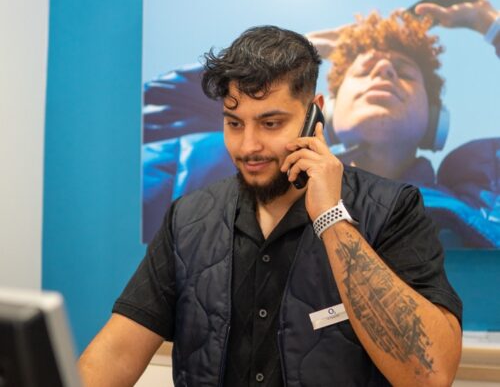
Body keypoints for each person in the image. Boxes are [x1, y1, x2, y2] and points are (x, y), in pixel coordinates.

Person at [80, 26, 463, 386]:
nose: (248, 146)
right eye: (234, 124)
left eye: (271, 123)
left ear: (315, 114)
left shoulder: (394, 209)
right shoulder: (187, 218)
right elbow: (116, 354)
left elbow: (429, 376)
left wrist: (331, 219)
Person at [142, 0, 499, 248]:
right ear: (324, 112)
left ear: (434, 119)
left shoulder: (480, 192)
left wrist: (490, 25)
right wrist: (300, 51)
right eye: (365, 70)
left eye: (404, 72)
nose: (385, 71)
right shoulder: (200, 165)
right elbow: (160, 106)